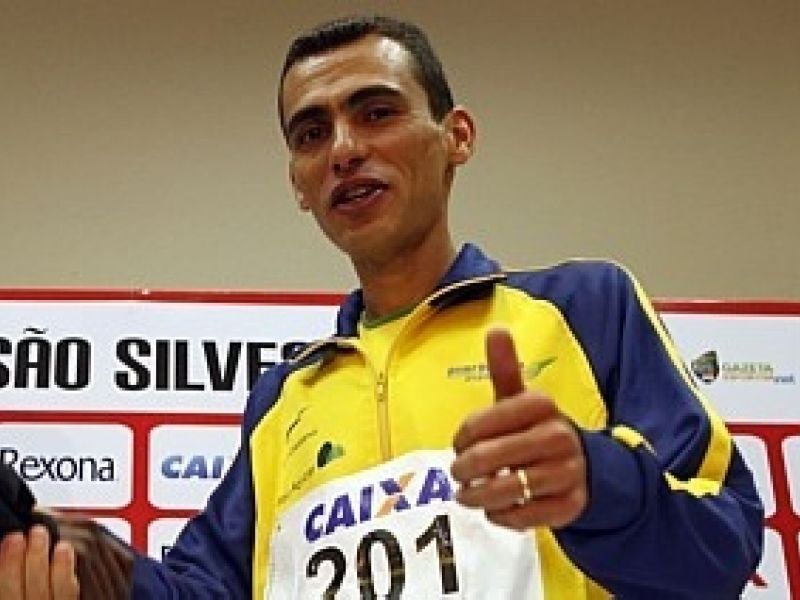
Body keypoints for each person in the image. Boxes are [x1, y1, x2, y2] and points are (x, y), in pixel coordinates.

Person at [0, 14, 763, 599]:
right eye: (312, 132)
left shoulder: (587, 307)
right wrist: (85, 569)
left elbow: (724, 547)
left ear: (457, 136)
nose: (342, 149)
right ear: (299, 185)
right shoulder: (282, 400)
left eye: (375, 112)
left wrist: (599, 486)